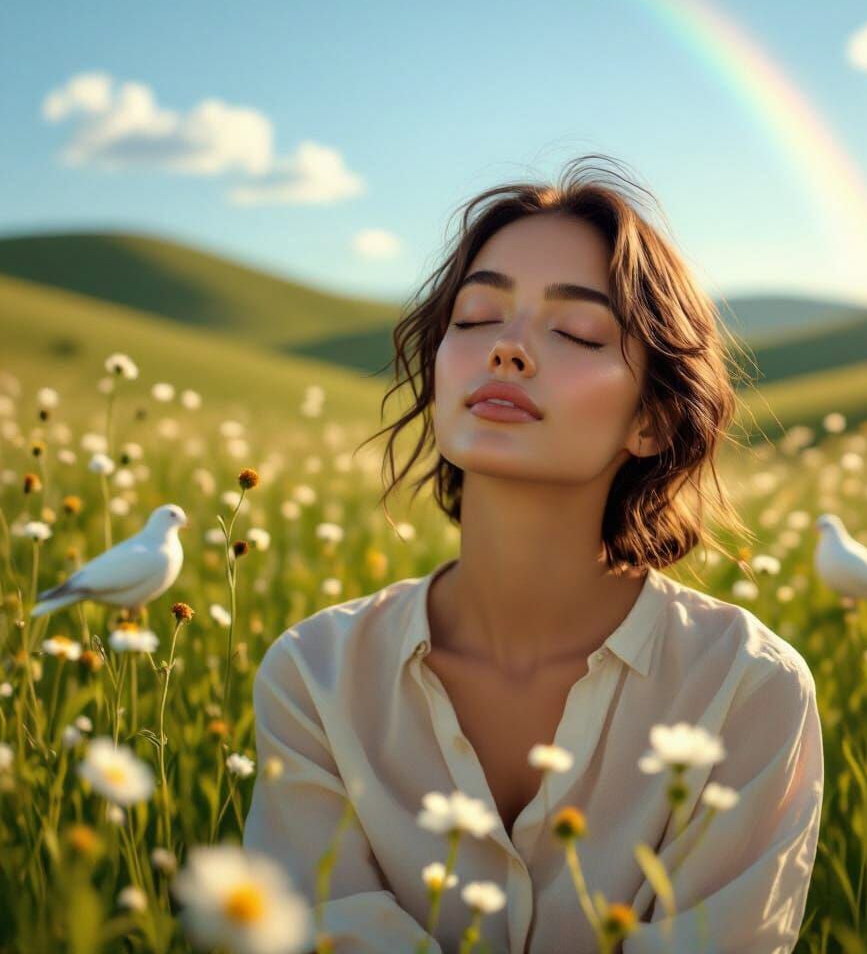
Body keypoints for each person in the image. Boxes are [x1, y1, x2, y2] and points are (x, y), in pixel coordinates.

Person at [243, 155, 825, 953]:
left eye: (577, 331)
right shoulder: (314, 676)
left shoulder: (748, 691)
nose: (508, 350)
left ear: (653, 420)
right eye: (476, 318)